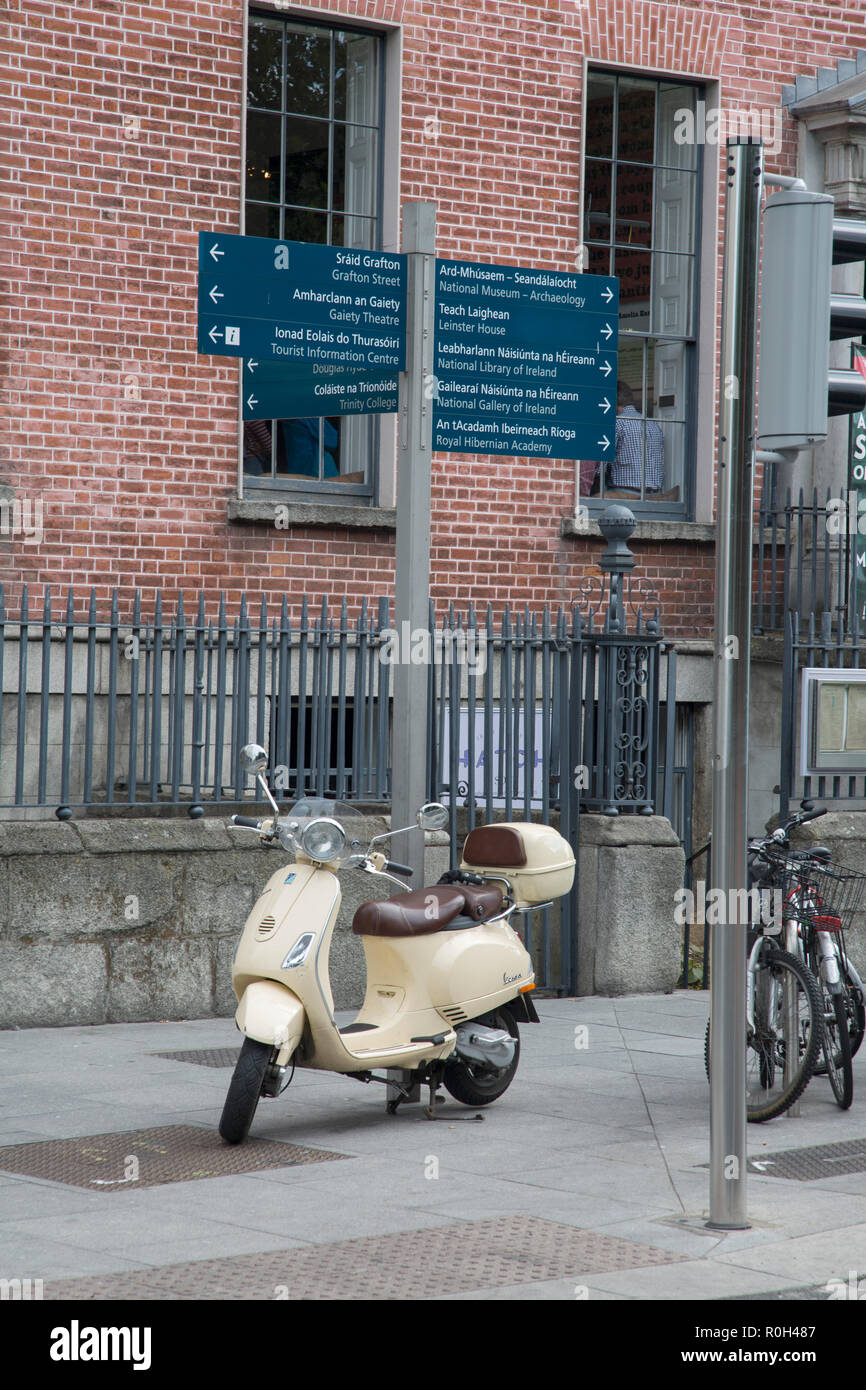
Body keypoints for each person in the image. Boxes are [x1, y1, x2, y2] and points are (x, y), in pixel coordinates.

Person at [580, 381, 665, 496]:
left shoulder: (617, 424)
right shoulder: (653, 425)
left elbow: (600, 468)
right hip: (656, 493)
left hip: (625, 493)